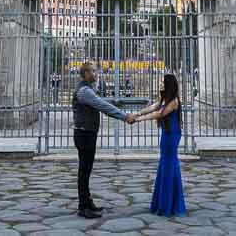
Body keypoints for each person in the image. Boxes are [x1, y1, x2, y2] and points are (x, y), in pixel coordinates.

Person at [72, 62, 135, 219]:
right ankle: (83, 207)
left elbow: (103, 104)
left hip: (87, 133)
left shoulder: (89, 89)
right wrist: (124, 116)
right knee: (84, 172)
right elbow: (103, 106)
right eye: (93, 71)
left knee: (86, 171)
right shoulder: (85, 91)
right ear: (85, 74)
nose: (96, 73)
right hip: (84, 134)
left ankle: (87, 202)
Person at [133, 74, 187, 217]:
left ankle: (168, 204)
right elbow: (153, 107)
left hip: (171, 135)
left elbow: (159, 114)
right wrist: (137, 113)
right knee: (166, 166)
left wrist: (138, 120)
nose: (161, 85)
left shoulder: (174, 101)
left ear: (169, 85)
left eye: (163, 83)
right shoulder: (165, 99)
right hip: (167, 134)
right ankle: (165, 202)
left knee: (169, 166)